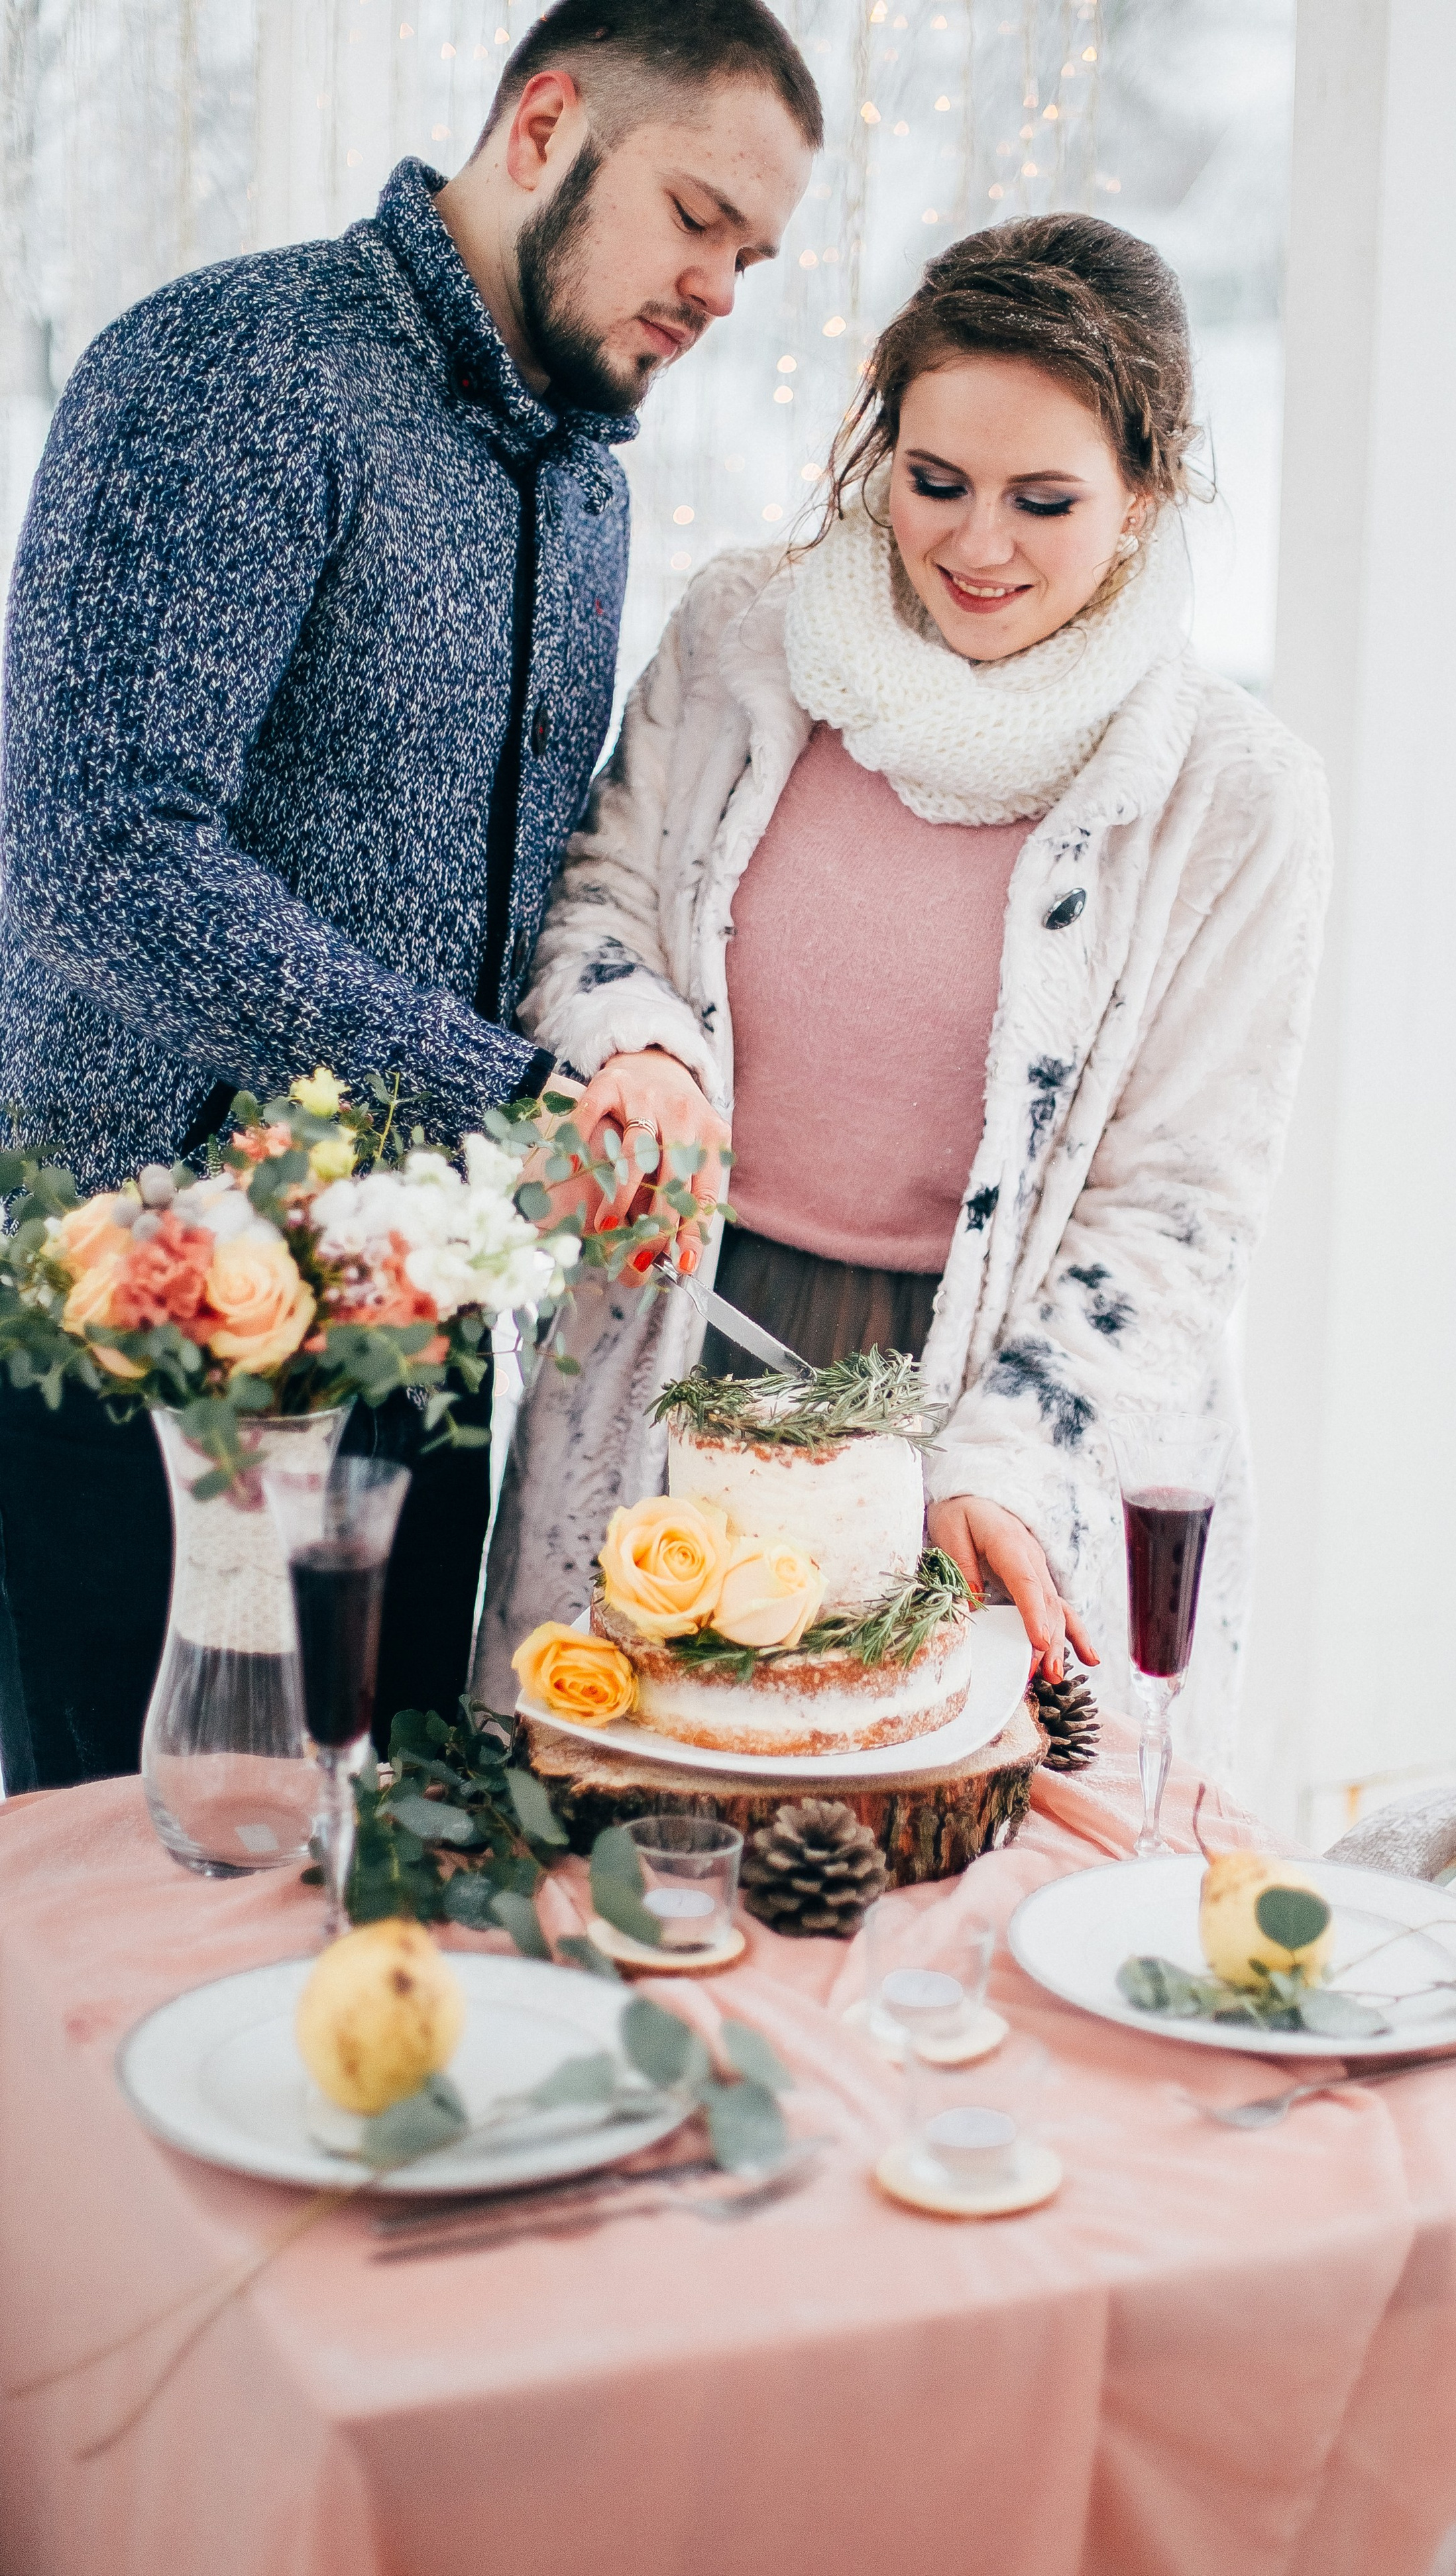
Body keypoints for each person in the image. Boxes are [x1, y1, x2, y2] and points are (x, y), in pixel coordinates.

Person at [0, 0, 818, 1792]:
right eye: (696, 218)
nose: (718, 290)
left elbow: (521, 891)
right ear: (543, 126)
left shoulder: (583, 483)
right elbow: (97, 859)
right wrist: (502, 1094)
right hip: (143, 1332)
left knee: (394, 1867)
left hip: (421, 1331)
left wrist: (625, 1053)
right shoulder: (232, 367)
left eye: (751, 258)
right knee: (139, 1886)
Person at [475, 217, 1333, 1780]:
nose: (975, 545)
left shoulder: (1233, 799)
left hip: (991, 1400)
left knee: (946, 1861)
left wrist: (1004, 1459)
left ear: (1144, 493)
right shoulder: (742, 641)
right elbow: (598, 905)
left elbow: (1175, 1213)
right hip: (690, 1329)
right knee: (627, 1817)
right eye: (934, 481)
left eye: (1043, 501)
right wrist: (636, 1046)